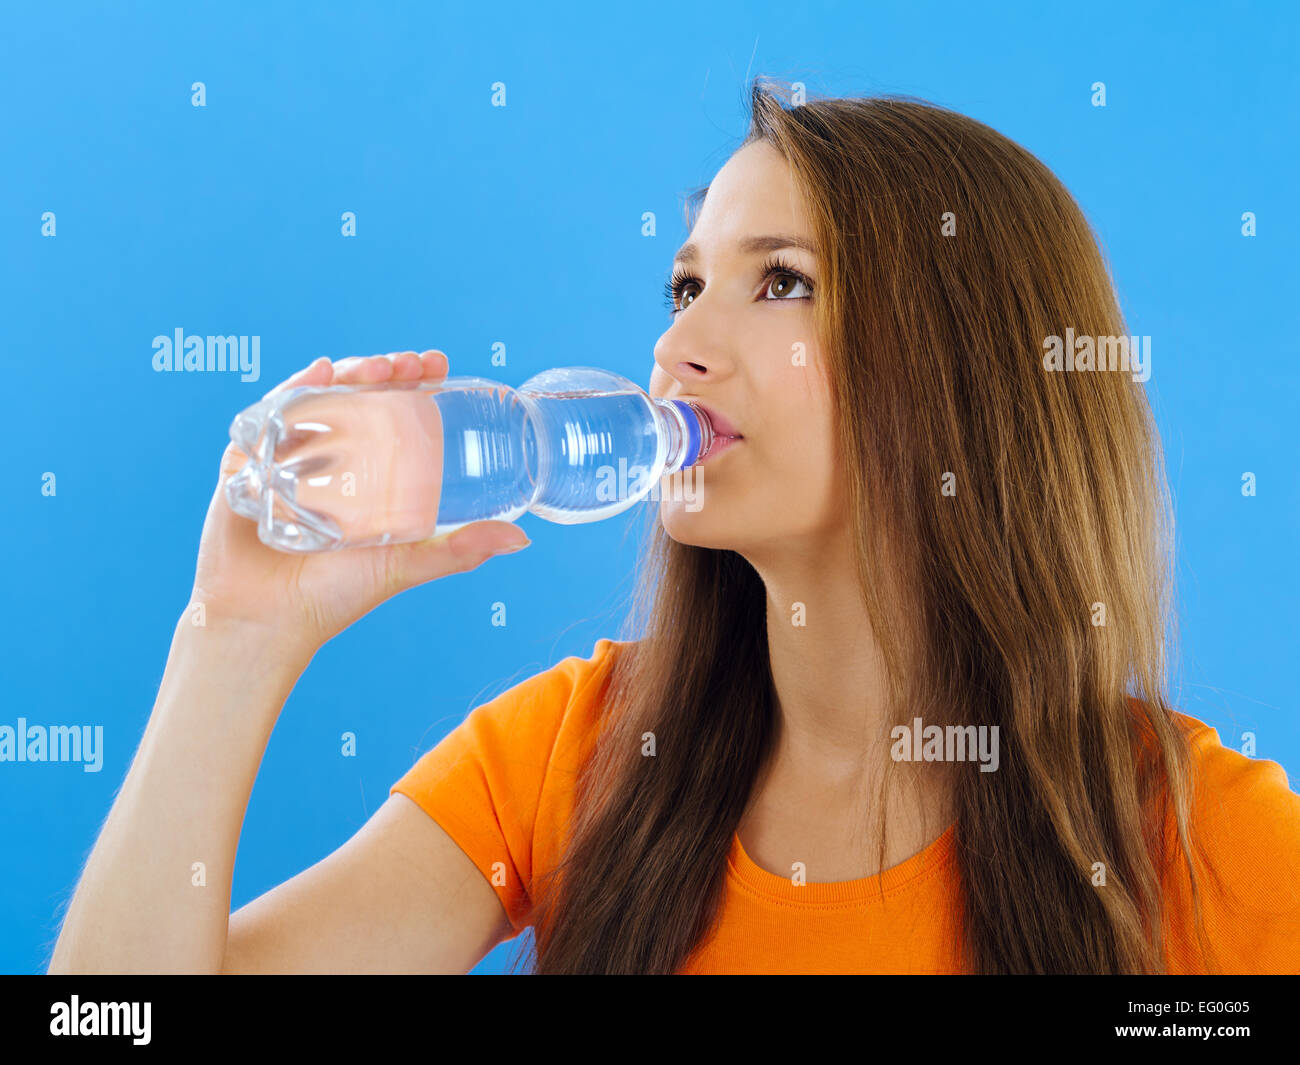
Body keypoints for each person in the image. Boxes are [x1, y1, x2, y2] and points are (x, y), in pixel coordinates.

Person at [48, 79, 1300, 975]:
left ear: (967, 369)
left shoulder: (1205, 843)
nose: (677, 346)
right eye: (686, 284)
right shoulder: (571, 760)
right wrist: (233, 637)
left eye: (781, 283)